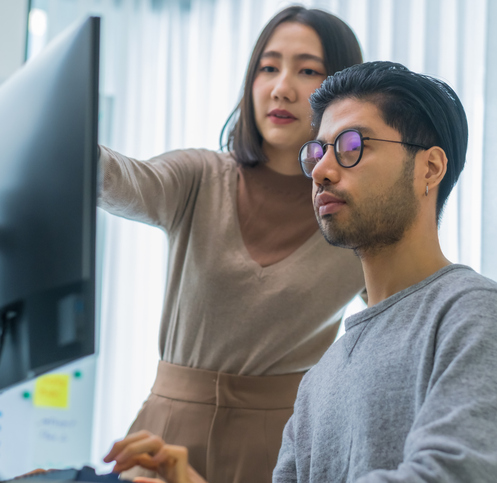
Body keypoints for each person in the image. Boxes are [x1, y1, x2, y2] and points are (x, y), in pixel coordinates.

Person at [104, 61, 497, 482]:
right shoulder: (319, 380)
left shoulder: (472, 312)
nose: (320, 170)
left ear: (429, 168)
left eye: (352, 147)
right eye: (318, 151)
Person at [98, 6, 364, 483]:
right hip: (162, 438)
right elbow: (124, 180)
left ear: (341, 90)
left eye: (308, 70)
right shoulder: (200, 177)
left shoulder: (353, 214)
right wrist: (69, 144)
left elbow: (406, 311)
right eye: (268, 67)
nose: (281, 87)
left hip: (279, 451)